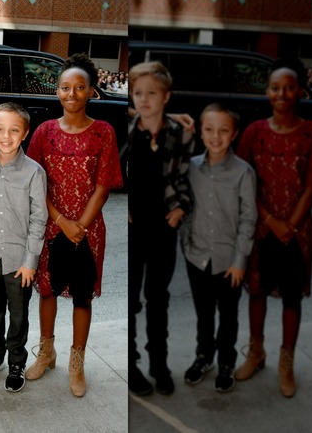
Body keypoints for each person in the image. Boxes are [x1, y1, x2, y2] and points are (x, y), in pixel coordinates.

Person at [24, 54, 123, 398]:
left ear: (91, 92)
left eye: (79, 87)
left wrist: (79, 224)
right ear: (57, 91)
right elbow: (34, 183)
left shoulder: (103, 133)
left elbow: (104, 184)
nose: (71, 93)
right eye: (65, 87)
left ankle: (76, 362)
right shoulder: (44, 132)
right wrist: (61, 221)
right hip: (52, 226)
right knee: (47, 289)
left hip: (88, 230)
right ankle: (46, 352)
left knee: (82, 296)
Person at [235, 58, 312, 398]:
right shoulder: (254, 132)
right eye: (275, 87)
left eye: (289, 87)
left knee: (292, 296)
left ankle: (286, 361)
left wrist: (289, 224)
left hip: (297, 231)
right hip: (261, 228)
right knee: (257, 290)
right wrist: (270, 220)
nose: (282, 93)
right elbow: (245, 181)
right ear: (267, 92)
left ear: (300, 91)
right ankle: (256, 352)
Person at [127, 61, 194, 397]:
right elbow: (113, 175)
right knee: (130, 299)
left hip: (164, 227)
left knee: (158, 298)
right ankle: (132, 364)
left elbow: (183, 177)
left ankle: (159, 364)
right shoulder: (128, 131)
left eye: (152, 93)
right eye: (138, 93)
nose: (144, 99)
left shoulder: (180, 133)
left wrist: (181, 206)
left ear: (166, 96)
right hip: (134, 230)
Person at [179, 103, 257, 393]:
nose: (215, 136)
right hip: (197, 256)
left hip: (229, 262)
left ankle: (226, 361)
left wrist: (240, 261)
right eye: (209, 129)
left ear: (234, 133)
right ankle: (204, 356)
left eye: (223, 131)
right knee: (203, 313)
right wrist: (186, 244)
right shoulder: (191, 167)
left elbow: (249, 218)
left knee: (228, 315)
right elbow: (184, 206)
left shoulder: (243, 173)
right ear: (200, 131)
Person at [0, 103, 47, 392]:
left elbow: (39, 218)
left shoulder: (33, 172)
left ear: (24, 133)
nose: (6, 136)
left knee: (18, 314)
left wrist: (31, 261)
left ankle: (17, 360)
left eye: (14, 130)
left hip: (19, 261)